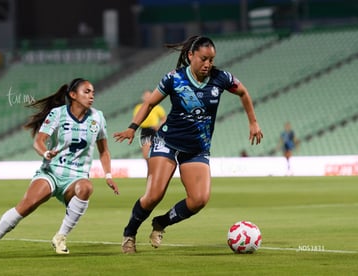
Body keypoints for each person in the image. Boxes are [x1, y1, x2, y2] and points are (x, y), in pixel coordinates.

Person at [113, 35, 263, 253]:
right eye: (203, 59)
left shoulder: (221, 78)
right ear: (191, 55)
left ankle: (161, 223)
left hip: (197, 148)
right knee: (154, 195)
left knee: (199, 199)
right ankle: (129, 234)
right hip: (167, 142)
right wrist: (132, 127)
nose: (208, 64)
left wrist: (253, 122)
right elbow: (151, 103)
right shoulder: (173, 78)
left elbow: (243, 91)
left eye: (211, 60)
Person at [0, 78, 119, 256]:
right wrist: (45, 153)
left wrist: (108, 175)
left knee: (86, 187)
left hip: (77, 177)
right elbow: (39, 141)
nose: (91, 96)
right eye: (86, 92)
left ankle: (60, 237)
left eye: (92, 92)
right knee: (26, 205)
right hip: (51, 172)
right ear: (73, 95)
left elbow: (104, 151)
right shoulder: (58, 114)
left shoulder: (98, 117)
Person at [133, 90, 166, 161]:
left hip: (155, 130)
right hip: (144, 130)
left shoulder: (157, 107)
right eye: (145, 96)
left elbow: (164, 119)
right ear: (143, 98)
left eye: (149, 96)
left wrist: (159, 126)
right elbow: (135, 120)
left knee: (156, 152)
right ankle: (149, 169)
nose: (147, 97)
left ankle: (156, 169)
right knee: (146, 154)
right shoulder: (138, 107)